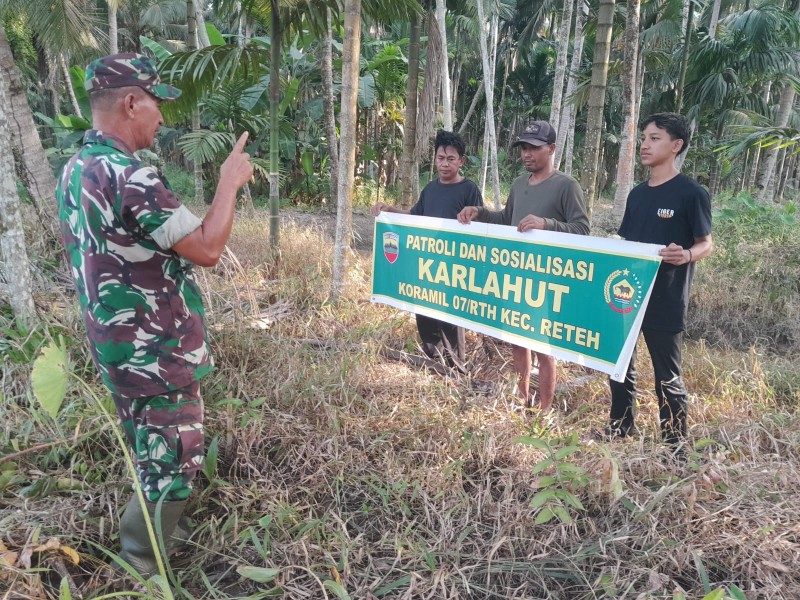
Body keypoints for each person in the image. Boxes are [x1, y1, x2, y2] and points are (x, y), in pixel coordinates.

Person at [56, 53, 253, 578]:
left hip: (115, 349)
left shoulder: (75, 170)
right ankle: (141, 565)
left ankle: (159, 535)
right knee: (176, 458)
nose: (161, 117)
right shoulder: (130, 176)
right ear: (129, 102)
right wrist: (229, 181)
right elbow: (208, 248)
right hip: (156, 355)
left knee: (149, 450)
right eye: (156, 104)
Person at [596, 112, 713, 448]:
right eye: (644, 137)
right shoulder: (637, 195)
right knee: (619, 366)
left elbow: (705, 243)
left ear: (676, 145)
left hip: (666, 297)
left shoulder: (692, 193)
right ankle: (620, 428)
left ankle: (675, 446)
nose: (645, 145)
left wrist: (687, 254)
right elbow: (628, 244)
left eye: (654, 138)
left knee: (668, 376)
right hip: (627, 295)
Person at [457, 121, 589, 411]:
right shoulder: (518, 184)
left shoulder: (566, 186)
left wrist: (547, 224)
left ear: (552, 149)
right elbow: (507, 220)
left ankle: (543, 410)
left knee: (544, 348)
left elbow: (582, 229)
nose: (527, 154)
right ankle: (521, 400)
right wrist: (479, 212)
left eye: (534, 148)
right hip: (518, 275)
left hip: (548, 278)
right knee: (518, 340)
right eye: (524, 148)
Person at [372, 130, 483, 367]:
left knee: (450, 316)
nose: (444, 163)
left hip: (454, 265)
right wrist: (390, 211)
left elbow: (481, 225)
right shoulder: (430, 189)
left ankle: (456, 366)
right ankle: (434, 361)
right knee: (424, 311)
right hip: (426, 263)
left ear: (461, 161)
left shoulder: (469, 190)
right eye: (440, 158)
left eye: (450, 159)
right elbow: (414, 218)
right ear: (434, 159)